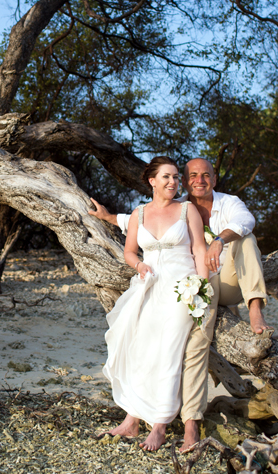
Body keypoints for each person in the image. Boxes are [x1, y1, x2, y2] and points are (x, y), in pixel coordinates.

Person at [102, 156, 218, 452]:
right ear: (152, 181)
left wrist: (201, 293)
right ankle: (132, 419)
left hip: (182, 289)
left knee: (169, 350)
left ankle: (160, 425)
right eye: (167, 177)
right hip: (149, 286)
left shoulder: (186, 210)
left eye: (177, 177)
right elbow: (129, 251)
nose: (173, 182)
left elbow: (199, 249)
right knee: (141, 348)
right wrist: (139, 265)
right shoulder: (138, 213)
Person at [90, 157, 271, 337]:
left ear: (214, 180)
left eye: (206, 175)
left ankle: (255, 310)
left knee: (246, 238)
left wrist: (219, 241)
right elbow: (144, 221)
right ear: (184, 181)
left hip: (226, 281)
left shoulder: (229, 203)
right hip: (194, 282)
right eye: (193, 175)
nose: (200, 181)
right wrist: (108, 217)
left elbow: (246, 220)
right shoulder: (179, 207)